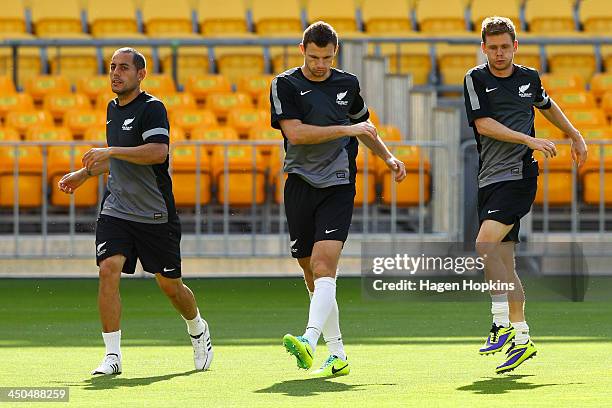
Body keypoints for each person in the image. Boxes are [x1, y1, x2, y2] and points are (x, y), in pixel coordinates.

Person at [58, 47, 213, 375]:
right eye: (113, 67)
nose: (115, 73)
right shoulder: (112, 109)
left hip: (155, 213)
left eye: (124, 68)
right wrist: (84, 174)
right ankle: (112, 356)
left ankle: (197, 328)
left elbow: (158, 152)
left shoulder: (153, 108)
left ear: (141, 74)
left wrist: (110, 150)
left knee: (170, 286)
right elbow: (117, 159)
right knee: (108, 270)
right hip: (117, 208)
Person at [270, 21, 407, 377]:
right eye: (314, 57)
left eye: (327, 58)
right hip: (300, 182)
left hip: (338, 182)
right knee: (308, 268)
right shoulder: (285, 84)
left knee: (323, 264)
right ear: (302, 51)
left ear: (336, 53)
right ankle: (339, 353)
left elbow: (366, 126)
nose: (320, 64)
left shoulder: (347, 84)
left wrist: (388, 157)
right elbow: (296, 134)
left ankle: (309, 340)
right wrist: (348, 129)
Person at [463, 17, 587, 374]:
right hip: (488, 178)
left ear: (515, 47)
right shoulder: (475, 79)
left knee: (485, 246)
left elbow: (547, 105)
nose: (499, 53)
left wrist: (574, 134)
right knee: (504, 260)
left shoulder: (528, 78)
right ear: (483, 47)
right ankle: (522, 337)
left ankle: (500, 322)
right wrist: (529, 137)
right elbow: (483, 124)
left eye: (505, 47)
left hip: (519, 175)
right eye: (493, 47)